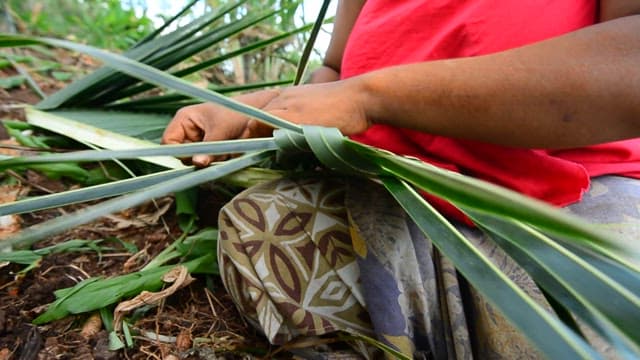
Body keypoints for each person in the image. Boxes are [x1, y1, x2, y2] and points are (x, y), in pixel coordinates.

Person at [163, 1, 640, 358]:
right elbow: (335, 74)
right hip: (394, 188)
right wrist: (252, 109)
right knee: (264, 229)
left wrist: (372, 97)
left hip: (572, 199)